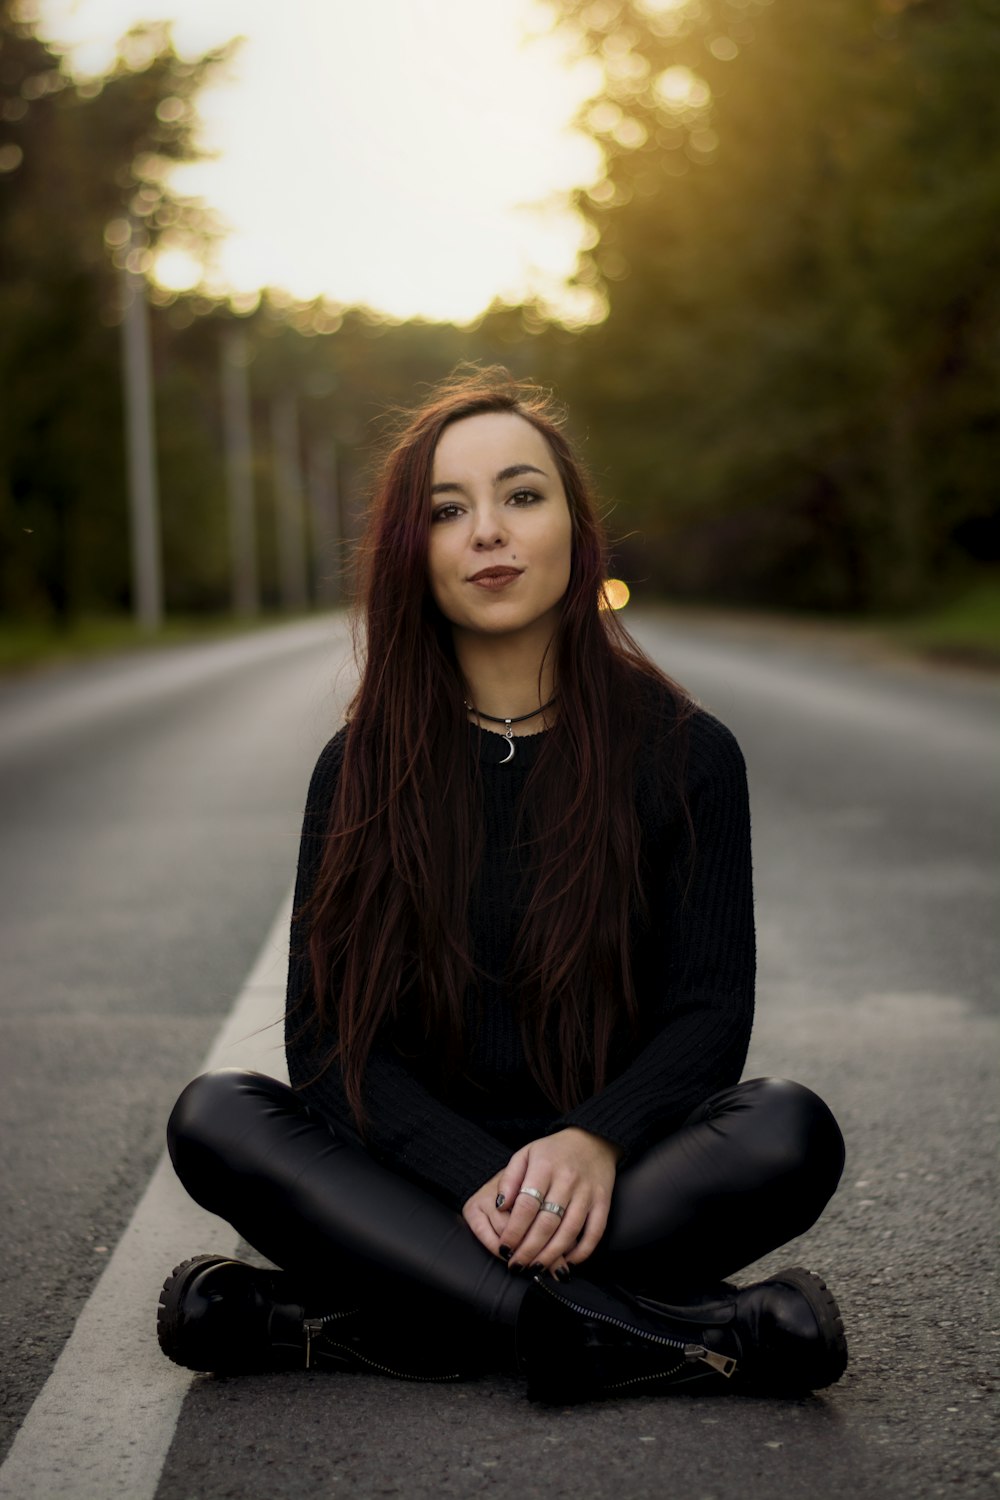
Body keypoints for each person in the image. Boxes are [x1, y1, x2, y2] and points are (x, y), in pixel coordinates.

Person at [156, 368, 848, 1404]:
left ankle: (373, 1318)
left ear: (574, 531)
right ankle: (646, 1331)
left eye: (521, 496)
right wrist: (474, 1178)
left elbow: (706, 1017)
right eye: (448, 510)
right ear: (414, 555)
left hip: (616, 1179)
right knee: (217, 1114)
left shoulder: (688, 754)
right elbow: (331, 1044)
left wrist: (591, 1139)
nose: (488, 531)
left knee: (787, 1128)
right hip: (423, 1179)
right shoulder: (359, 769)